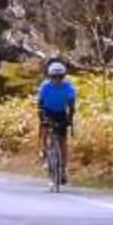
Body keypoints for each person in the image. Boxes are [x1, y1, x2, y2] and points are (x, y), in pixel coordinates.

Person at [35, 59, 77, 188]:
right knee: (44, 129)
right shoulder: (44, 87)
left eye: (60, 76)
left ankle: (62, 169)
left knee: (62, 140)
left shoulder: (68, 87)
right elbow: (39, 105)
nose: (57, 79)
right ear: (50, 76)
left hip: (60, 113)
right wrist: (42, 118)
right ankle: (43, 151)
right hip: (47, 111)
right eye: (54, 77)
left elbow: (71, 106)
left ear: (63, 76)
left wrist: (69, 119)